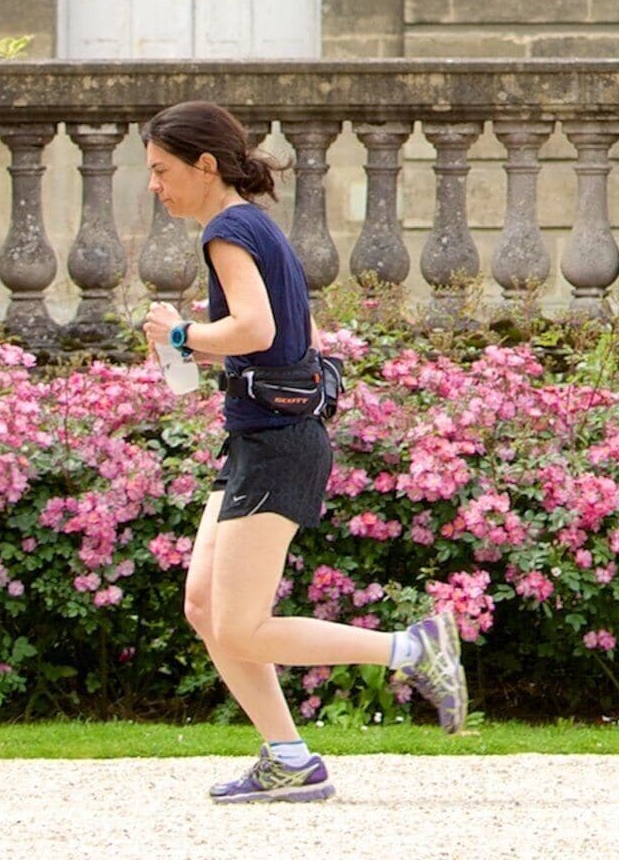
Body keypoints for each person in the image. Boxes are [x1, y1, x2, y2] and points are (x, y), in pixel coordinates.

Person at [139, 99, 473, 802]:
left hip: (276, 446)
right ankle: (288, 758)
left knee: (243, 626)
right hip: (265, 440)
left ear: (205, 165)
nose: (154, 185)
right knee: (205, 606)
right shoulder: (253, 225)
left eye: (162, 170)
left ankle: (413, 650)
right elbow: (304, 335)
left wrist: (179, 336)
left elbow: (255, 328)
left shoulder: (227, 231)